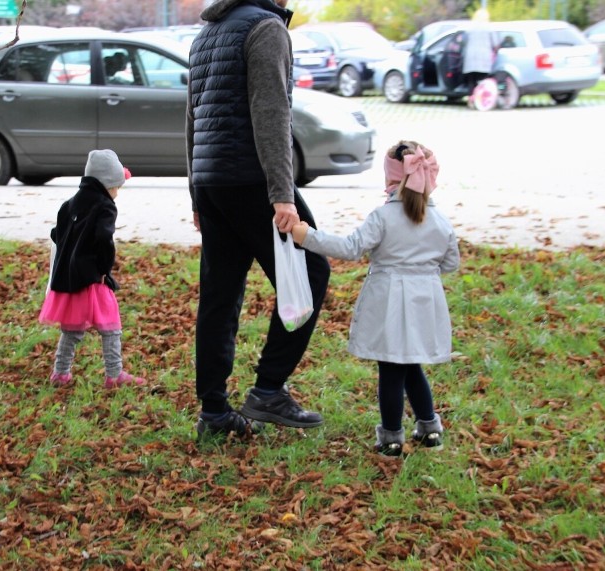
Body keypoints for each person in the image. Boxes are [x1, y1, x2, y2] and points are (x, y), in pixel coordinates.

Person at [185, 0, 331, 439]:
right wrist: (282, 195)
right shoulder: (266, 28)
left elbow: (190, 119)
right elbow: (272, 113)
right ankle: (268, 389)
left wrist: (196, 189)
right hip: (252, 179)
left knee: (220, 294)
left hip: (213, 181)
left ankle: (214, 412)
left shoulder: (207, 33)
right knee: (313, 270)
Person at [292, 141, 460, 457]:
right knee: (411, 366)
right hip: (424, 301)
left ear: (391, 177)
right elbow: (451, 263)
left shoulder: (383, 217)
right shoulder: (440, 222)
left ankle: (392, 437)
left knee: (392, 370)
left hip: (390, 302)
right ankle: (430, 428)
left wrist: (308, 237)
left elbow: (351, 248)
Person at [38, 149, 146, 390]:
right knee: (111, 327)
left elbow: (57, 234)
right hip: (92, 279)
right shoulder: (105, 206)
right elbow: (104, 238)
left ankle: (60, 373)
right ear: (107, 184)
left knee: (72, 329)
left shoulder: (68, 205)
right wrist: (104, 267)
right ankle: (114, 374)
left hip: (67, 279)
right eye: (117, 186)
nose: (117, 193)